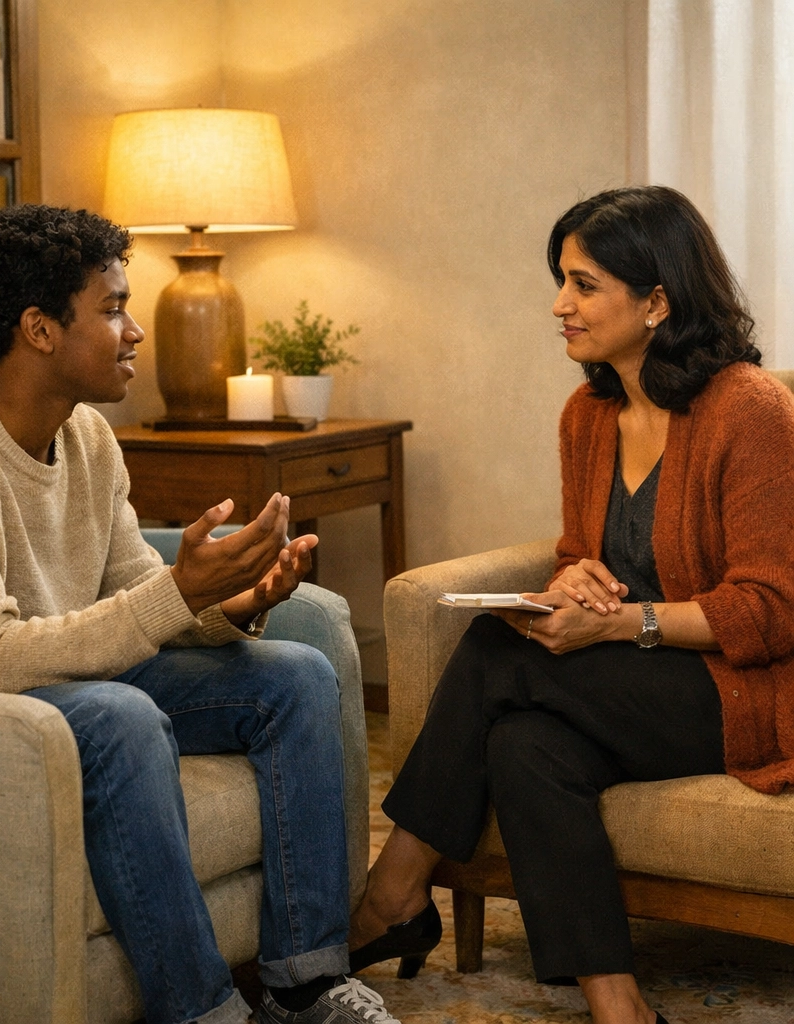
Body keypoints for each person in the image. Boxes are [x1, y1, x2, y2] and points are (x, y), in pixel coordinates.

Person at [353, 186, 794, 1024]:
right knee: (525, 746)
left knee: (491, 653)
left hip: (744, 692)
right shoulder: (589, 416)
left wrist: (622, 621)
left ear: (657, 300)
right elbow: (578, 555)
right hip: (633, 685)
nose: (560, 305)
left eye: (584, 284)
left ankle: (391, 893)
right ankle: (616, 1004)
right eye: (562, 280)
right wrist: (575, 583)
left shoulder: (752, 410)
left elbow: (773, 611)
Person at [0, 204, 399, 1024]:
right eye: (113, 308)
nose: (133, 332)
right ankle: (200, 1011)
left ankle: (306, 980)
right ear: (39, 329)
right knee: (123, 716)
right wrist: (176, 592)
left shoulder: (89, 436)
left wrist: (233, 600)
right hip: (19, 703)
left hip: (96, 671)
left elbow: (140, 589)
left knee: (298, 676)